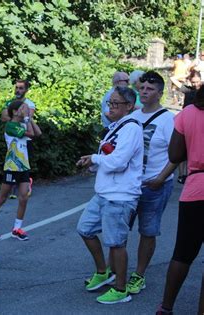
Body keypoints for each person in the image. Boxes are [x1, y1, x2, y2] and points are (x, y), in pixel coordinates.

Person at [76, 86, 143, 304]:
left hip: (121, 196)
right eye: (109, 103)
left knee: (116, 243)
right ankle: (103, 272)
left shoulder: (131, 128)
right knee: (85, 228)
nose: (110, 107)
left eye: (116, 103)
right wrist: (92, 161)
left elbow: (118, 162)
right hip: (104, 192)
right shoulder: (116, 127)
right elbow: (106, 158)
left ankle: (121, 289)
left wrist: (95, 160)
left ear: (129, 106)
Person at [126, 71, 176, 295]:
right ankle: (113, 270)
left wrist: (160, 179)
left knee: (147, 231)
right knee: (119, 228)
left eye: (150, 89)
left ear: (160, 93)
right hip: (130, 185)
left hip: (155, 184)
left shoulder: (168, 119)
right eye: (142, 87)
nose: (144, 92)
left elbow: (177, 154)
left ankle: (139, 275)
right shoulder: (132, 117)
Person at [157, 87, 204, 315]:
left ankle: (166, 307)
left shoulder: (187, 113)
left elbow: (175, 156)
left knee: (183, 253)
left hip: (195, 189)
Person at [0, 100, 42, 241]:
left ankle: (17, 228)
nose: (27, 110)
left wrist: (30, 119)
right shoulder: (10, 126)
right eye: (24, 108)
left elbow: (38, 133)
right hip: (12, 167)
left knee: (23, 197)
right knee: (2, 197)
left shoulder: (24, 123)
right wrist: (27, 119)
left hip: (23, 167)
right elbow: (31, 134)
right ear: (15, 111)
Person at [0, 80, 37, 199]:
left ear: (26, 90)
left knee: (24, 162)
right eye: (16, 88)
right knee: (14, 159)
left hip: (25, 138)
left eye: (21, 88)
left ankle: (23, 185)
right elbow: (4, 117)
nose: (18, 90)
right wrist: (18, 118)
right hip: (14, 136)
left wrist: (18, 117)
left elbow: (27, 117)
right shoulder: (9, 103)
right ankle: (15, 187)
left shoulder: (29, 104)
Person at [169, 70, 202, 184]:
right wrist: (185, 75)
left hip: (194, 120)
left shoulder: (201, 89)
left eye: (197, 82)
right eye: (193, 82)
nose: (195, 84)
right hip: (186, 121)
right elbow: (173, 79)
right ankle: (183, 174)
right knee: (182, 148)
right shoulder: (187, 89)